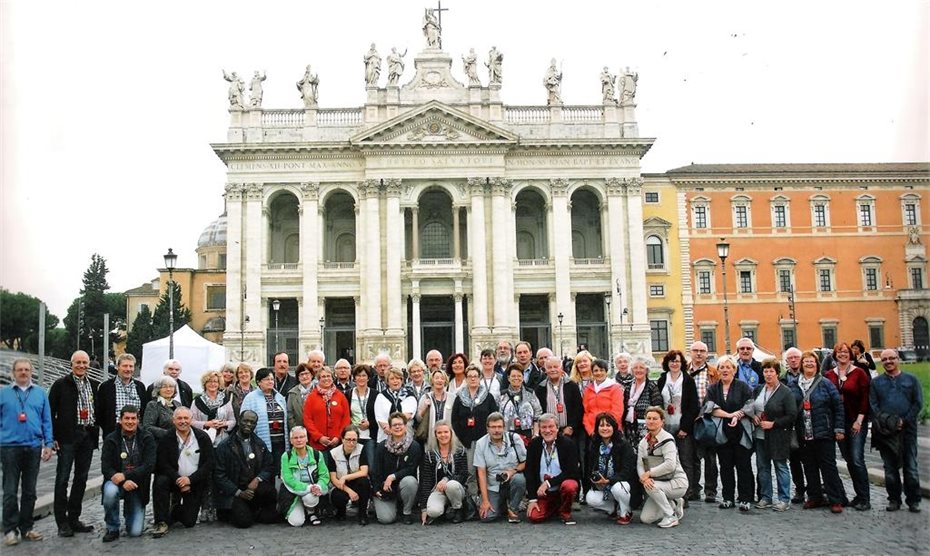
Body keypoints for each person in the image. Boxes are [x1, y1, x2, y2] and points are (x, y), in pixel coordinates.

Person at [1, 359, 53, 545]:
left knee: (30, 491)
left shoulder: (40, 393)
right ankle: (10, 530)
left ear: (31, 372)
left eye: (27, 370)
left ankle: (27, 527)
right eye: (20, 370)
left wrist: (48, 444)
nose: (24, 372)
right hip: (9, 447)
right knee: (9, 490)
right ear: (13, 373)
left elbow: (46, 420)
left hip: (33, 446)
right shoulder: (3, 394)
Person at [48, 350, 100, 537]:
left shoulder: (94, 385)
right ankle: (62, 522)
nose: (81, 366)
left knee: (81, 478)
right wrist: (52, 436)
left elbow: (98, 410)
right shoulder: (60, 384)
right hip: (68, 436)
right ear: (72, 364)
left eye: (84, 362)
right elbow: (50, 412)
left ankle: (74, 518)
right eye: (78, 362)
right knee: (62, 478)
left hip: (87, 435)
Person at [788, 351, 847, 513]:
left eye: (812, 361)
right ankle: (814, 497)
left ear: (817, 364)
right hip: (803, 432)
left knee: (828, 467)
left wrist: (839, 428)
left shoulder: (826, 383)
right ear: (801, 365)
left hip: (824, 431)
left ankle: (836, 499)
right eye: (806, 361)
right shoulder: (793, 385)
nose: (809, 364)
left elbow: (838, 407)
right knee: (809, 467)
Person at [870, 348, 923, 512]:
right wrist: (889, 422)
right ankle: (894, 499)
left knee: (911, 467)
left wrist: (904, 421)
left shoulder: (911, 380)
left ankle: (913, 500)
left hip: (908, 430)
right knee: (890, 468)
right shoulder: (876, 383)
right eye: (884, 360)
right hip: (886, 433)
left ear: (898, 359)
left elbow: (918, 403)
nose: (888, 362)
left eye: (891, 358)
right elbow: (873, 406)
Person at [151, 406, 214, 538]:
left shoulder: (202, 437)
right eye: (179, 418)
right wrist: (179, 480)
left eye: (186, 418)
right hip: (172, 479)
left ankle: (174, 510)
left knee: (189, 521)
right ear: (173, 420)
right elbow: (162, 464)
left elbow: (208, 464)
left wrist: (190, 480)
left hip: (194, 482)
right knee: (160, 481)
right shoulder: (166, 438)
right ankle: (161, 521)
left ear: (191, 420)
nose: (183, 421)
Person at [824, 342, 872, 510]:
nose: (842, 354)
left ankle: (865, 498)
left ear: (850, 354)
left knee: (857, 459)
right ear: (835, 355)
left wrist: (859, 421)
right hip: (839, 423)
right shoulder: (830, 375)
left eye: (845, 352)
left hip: (856, 421)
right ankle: (858, 496)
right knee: (849, 460)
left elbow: (866, 398)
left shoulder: (859, 373)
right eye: (839, 352)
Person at [704, 355, 755, 511]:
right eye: (722, 367)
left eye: (728, 367)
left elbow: (750, 405)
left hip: (741, 431)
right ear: (717, 370)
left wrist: (738, 415)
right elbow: (710, 407)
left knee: (743, 465)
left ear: (734, 369)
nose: (725, 370)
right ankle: (727, 497)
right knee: (725, 466)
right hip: (722, 432)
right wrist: (729, 415)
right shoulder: (713, 388)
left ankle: (746, 498)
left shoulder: (743, 387)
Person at [99, 405, 155, 543]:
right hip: (117, 482)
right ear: (120, 420)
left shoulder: (147, 438)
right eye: (127, 418)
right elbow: (106, 467)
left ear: (138, 420)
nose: (130, 422)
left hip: (137, 485)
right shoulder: (111, 439)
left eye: (133, 418)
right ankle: (112, 527)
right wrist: (123, 481)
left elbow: (149, 465)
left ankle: (129, 510)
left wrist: (126, 476)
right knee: (110, 492)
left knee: (135, 532)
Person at [213, 410, 278, 528]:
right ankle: (236, 512)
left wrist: (258, 479)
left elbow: (269, 466)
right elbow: (219, 475)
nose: (248, 424)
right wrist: (238, 492)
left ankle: (250, 511)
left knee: (272, 516)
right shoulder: (225, 446)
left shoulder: (259, 444)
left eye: (252, 422)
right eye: (245, 421)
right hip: (234, 491)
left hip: (253, 488)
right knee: (244, 522)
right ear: (239, 421)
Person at [751, 358, 798, 512]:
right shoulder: (759, 389)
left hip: (778, 435)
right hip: (760, 435)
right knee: (762, 467)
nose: (768, 374)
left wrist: (774, 423)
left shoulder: (785, 392)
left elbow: (792, 415)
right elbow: (753, 406)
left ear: (777, 373)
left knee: (780, 466)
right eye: (766, 371)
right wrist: (754, 417)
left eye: (771, 371)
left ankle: (784, 499)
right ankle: (766, 497)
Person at [655, 350, 699, 505]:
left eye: (677, 361)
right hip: (665, 426)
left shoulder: (688, 380)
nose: (674, 364)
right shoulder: (662, 380)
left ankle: (684, 494)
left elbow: (694, 406)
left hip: (682, 426)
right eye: (672, 361)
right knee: (666, 460)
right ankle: (668, 492)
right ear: (667, 363)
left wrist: (685, 428)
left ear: (682, 364)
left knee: (685, 460)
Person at [190, 370, 234, 522]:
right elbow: (191, 421)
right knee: (205, 476)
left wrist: (224, 424)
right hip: (204, 443)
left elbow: (233, 420)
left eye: (215, 382)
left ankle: (219, 508)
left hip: (222, 442)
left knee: (220, 475)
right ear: (205, 384)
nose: (213, 384)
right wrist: (207, 424)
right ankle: (205, 507)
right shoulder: (197, 401)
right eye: (210, 382)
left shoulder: (225, 399)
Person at [637, 407, 689, 527]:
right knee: (646, 519)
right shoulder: (643, 442)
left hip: (676, 482)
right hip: (658, 482)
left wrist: (649, 473)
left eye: (655, 419)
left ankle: (670, 516)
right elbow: (640, 464)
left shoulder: (668, 439)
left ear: (662, 421)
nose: (651, 421)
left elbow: (670, 465)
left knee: (651, 487)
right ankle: (673, 504)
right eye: (649, 418)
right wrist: (644, 478)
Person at [525, 414, 580, 525]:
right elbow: (529, 472)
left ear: (557, 428)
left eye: (551, 427)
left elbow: (572, 472)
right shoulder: (534, 445)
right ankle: (554, 508)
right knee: (534, 517)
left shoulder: (568, 444)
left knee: (570, 486)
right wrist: (532, 500)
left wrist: (549, 483)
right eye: (544, 427)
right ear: (539, 429)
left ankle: (565, 512)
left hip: (561, 488)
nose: (547, 430)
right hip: (543, 493)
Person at [451, 365, 499, 493]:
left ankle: (488, 497)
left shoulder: (488, 397)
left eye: (475, 376)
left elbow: (494, 418)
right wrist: (463, 438)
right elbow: (454, 420)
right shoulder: (459, 398)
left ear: (480, 378)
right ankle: (473, 499)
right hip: (467, 442)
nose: (473, 379)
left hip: (485, 440)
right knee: (471, 472)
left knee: (487, 470)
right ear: (466, 379)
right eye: (470, 376)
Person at [585, 412, 637, 524]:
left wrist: (609, 480)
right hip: (602, 484)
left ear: (614, 427)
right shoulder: (594, 445)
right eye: (601, 425)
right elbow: (589, 467)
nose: (605, 428)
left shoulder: (623, 445)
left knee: (617, 488)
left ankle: (626, 512)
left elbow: (628, 471)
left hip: (621, 483)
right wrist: (594, 480)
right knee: (590, 498)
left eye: (608, 425)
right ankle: (612, 509)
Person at [474, 412, 526, 523]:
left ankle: (513, 509)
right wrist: (485, 500)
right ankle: (501, 505)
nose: (496, 430)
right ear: (487, 428)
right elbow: (481, 473)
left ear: (504, 427)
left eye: (499, 427)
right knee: (486, 517)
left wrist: (512, 471)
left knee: (519, 479)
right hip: (493, 485)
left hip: (512, 480)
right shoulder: (480, 444)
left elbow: (525, 462)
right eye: (493, 427)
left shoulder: (514, 439)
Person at [371, 412, 422, 524]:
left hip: (403, 485)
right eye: (394, 425)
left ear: (405, 426)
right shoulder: (382, 446)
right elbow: (375, 470)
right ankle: (388, 506)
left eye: (400, 424)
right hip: (385, 489)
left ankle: (406, 512)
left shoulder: (414, 446)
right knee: (386, 519)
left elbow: (411, 469)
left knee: (410, 482)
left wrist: (393, 477)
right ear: (390, 427)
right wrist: (376, 489)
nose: (398, 427)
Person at [686, 341, 719, 503]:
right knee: (692, 456)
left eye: (702, 351)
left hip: (708, 419)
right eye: (695, 351)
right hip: (689, 419)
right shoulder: (684, 370)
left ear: (707, 354)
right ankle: (694, 489)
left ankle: (711, 490)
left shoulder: (713, 372)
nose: (699, 354)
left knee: (710, 457)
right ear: (690, 353)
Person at [418, 420, 469, 524]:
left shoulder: (460, 451)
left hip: (456, 489)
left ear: (451, 433)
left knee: (451, 485)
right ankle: (444, 509)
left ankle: (458, 509)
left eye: (446, 432)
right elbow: (426, 481)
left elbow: (463, 474)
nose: (443, 435)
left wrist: (446, 479)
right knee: (433, 512)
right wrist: (424, 509)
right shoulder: (429, 455)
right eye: (439, 433)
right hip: (438, 490)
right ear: (435, 435)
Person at [240, 367, 289, 471]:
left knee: (280, 470)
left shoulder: (279, 397)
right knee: (265, 472)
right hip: (261, 443)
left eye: (272, 379)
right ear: (259, 382)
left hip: (280, 442)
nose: (270, 381)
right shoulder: (250, 398)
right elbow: (243, 421)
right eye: (267, 379)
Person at [279, 426, 329, 527]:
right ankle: (300, 507)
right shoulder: (286, 456)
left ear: (307, 439)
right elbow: (288, 479)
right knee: (297, 522)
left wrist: (318, 487)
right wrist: (309, 488)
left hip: (312, 492)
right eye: (295, 438)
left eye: (302, 437)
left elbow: (324, 476)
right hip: (294, 493)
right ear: (291, 441)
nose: (299, 440)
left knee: (310, 498)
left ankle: (311, 512)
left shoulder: (317, 454)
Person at [325, 425, 371, 525]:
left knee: (364, 481)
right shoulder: (333, 453)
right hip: (340, 486)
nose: (351, 443)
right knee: (337, 496)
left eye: (354, 440)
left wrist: (345, 477)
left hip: (356, 481)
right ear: (342, 439)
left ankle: (362, 514)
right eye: (348, 439)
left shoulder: (362, 449)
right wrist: (349, 491)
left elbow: (364, 472)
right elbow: (333, 478)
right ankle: (341, 511)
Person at [96, 353, 146, 440]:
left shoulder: (140, 387)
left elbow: (143, 411)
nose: (128, 369)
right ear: (117, 367)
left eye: (131, 366)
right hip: (113, 434)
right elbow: (100, 413)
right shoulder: (106, 387)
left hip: (136, 434)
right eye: (125, 366)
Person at [535, 356, 583, 440]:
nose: (553, 370)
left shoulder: (572, 386)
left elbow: (578, 409)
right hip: (548, 432)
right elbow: (539, 410)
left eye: (555, 367)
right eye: (549, 367)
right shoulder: (540, 388)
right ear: (545, 370)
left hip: (569, 433)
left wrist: (571, 427)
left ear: (561, 368)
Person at [780, 346, 806, 503]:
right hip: (791, 425)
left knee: (810, 459)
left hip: (808, 423)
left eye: (797, 357)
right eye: (791, 358)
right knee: (794, 460)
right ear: (786, 361)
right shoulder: (783, 380)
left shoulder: (810, 376)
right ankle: (800, 489)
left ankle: (815, 488)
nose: (794, 360)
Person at [303, 367, 351, 451]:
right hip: (317, 445)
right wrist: (319, 437)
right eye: (323, 377)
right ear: (318, 379)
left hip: (337, 444)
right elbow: (307, 419)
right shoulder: (311, 397)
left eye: (328, 376)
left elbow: (346, 418)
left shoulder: (340, 396)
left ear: (332, 378)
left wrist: (339, 436)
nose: (326, 379)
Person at [623, 357, 662, 448]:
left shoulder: (652, 386)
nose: (638, 370)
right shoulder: (628, 387)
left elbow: (658, 409)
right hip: (630, 429)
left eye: (641, 368)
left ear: (646, 370)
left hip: (647, 429)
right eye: (635, 368)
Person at [500, 363, 543, 439]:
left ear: (523, 378)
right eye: (513, 376)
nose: (516, 378)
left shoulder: (530, 393)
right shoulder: (502, 395)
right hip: (508, 434)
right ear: (508, 378)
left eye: (519, 376)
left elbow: (538, 413)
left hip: (528, 434)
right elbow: (499, 416)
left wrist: (535, 434)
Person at [374, 368, 417, 443]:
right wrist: (387, 428)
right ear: (387, 381)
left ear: (401, 380)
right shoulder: (381, 396)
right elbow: (379, 416)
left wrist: (395, 428)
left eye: (397, 378)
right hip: (385, 436)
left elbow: (408, 415)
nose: (395, 381)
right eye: (392, 379)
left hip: (406, 437)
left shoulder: (410, 396)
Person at [416, 369, 452, 444]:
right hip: (430, 437)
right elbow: (418, 419)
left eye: (442, 378)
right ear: (432, 380)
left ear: (445, 381)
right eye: (437, 378)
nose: (439, 380)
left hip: (448, 437)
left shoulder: (452, 398)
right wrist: (424, 408)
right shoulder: (425, 397)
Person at [142, 376, 180, 442]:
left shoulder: (178, 404)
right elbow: (147, 427)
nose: (168, 389)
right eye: (164, 387)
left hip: (177, 443)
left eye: (171, 386)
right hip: (160, 444)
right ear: (158, 389)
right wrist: (169, 434)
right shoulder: (153, 405)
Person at [348, 364, 377, 453]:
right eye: (358, 375)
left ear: (368, 378)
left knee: (370, 463)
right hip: (353, 436)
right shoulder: (348, 394)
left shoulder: (375, 394)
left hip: (370, 436)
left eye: (364, 375)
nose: (361, 378)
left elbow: (379, 416)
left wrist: (369, 423)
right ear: (354, 378)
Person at [286, 363, 315, 434]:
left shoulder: (319, 390)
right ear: (298, 377)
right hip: (299, 433)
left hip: (317, 432)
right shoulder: (292, 393)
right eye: (301, 374)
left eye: (307, 373)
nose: (304, 377)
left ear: (311, 375)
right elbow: (290, 414)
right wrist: (296, 430)